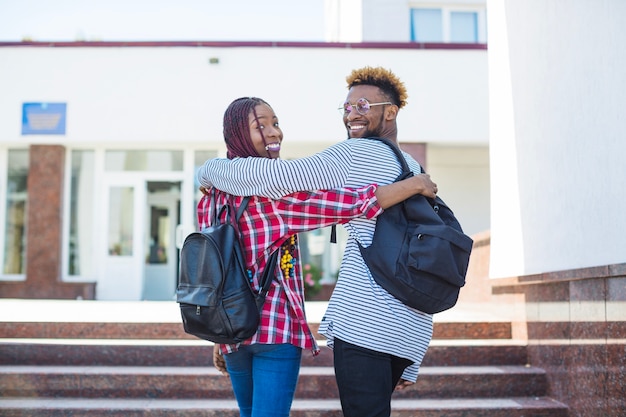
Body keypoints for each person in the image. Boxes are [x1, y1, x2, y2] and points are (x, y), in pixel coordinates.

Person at [197, 67, 436, 417]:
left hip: (232, 329)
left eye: (275, 122)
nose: (274, 131)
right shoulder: (280, 199)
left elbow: (213, 272)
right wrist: (413, 185)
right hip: (275, 328)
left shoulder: (211, 197)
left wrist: (220, 335)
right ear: (239, 134)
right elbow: (348, 205)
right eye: (260, 125)